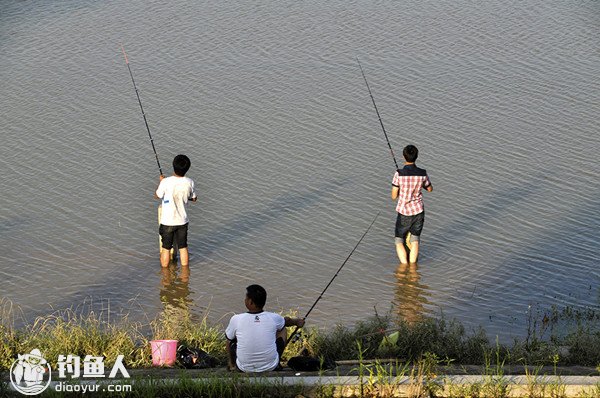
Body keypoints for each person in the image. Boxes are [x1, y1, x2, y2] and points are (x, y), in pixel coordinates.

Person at [225, 284, 305, 372]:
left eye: (246, 298)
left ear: (250, 302)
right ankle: (276, 361)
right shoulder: (273, 318)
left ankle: (232, 365)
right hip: (270, 366)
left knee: (230, 338)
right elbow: (287, 321)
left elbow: (229, 340)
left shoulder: (236, 319)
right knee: (282, 329)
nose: (245, 300)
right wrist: (297, 322)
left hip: (244, 368)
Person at [391, 145, 433, 264]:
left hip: (404, 212)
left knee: (399, 240)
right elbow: (430, 189)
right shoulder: (422, 173)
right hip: (419, 211)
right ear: (416, 156)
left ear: (404, 156)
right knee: (415, 240)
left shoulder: (399, 174)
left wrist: (400, 190)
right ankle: (413, 268)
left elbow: (394, 196)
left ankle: (404, 266)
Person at [155, 154, 197, 267]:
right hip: (182, 221)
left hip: (167, 222)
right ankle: (185, 274)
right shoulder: (190, 182)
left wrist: (161, 182)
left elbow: (158, 195)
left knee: (166, 248)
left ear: (173, 165)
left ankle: (165, 274)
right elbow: (194, 198)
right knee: (183, 247)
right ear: (187, 168)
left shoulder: (165, 182)